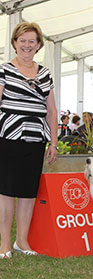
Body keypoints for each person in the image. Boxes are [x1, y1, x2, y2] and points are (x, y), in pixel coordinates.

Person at [0, 22, 58, 259]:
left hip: (36, 140)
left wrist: (53, 142)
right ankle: (4, 243)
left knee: (27, 192)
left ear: (38, 45)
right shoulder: (4, 70)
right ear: (14, 43)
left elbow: (52, 111)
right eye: (22, 40)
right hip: (8, 138)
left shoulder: (45, 73)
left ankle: (21, 241)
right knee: (5, 191)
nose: (26, 45)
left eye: (31, 41)